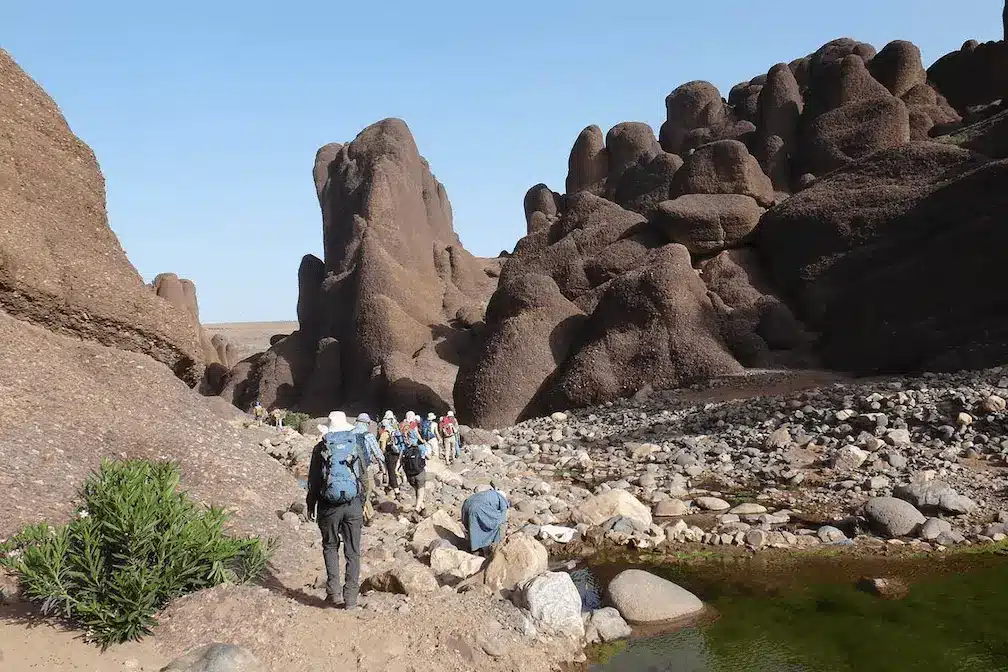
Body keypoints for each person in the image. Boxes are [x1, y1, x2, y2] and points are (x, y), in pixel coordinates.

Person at [306, 411, 366, 609]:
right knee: (353, 551)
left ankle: (334, 593)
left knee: (330, 547)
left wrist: (310, 504)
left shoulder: (321, 447)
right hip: (353, 504)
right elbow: (364, 478)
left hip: (328, 505)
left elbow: (314, 480)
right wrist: (361, 503)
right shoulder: (354, 445)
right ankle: (351, 599)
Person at [461, 482, 510, 557]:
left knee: (474, 527)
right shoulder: (502, 498)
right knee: (496, 525)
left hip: (466, 506)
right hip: (478, 508)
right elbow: (502, 516)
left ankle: (474, 548)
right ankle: (490, 548)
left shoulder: (486, 493)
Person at [352, 413, 382, 524]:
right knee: (367, 490)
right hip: (366, 467)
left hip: (352, 468)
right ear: (366, 423)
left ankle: (367, 513)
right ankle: (365, 513)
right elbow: (378, 453)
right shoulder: (368, 435)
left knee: (358, 490)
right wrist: (382, 465)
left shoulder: (350, 434)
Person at [400, 420, 429, 513]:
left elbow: (400, 460)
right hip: (419, 472)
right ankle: (416, 511)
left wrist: (397, 470)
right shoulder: (420, 448)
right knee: (421, 493)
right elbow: (428, 456)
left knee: (417, 490)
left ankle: (423, 509)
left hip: (409, 473)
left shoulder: (404, 448)